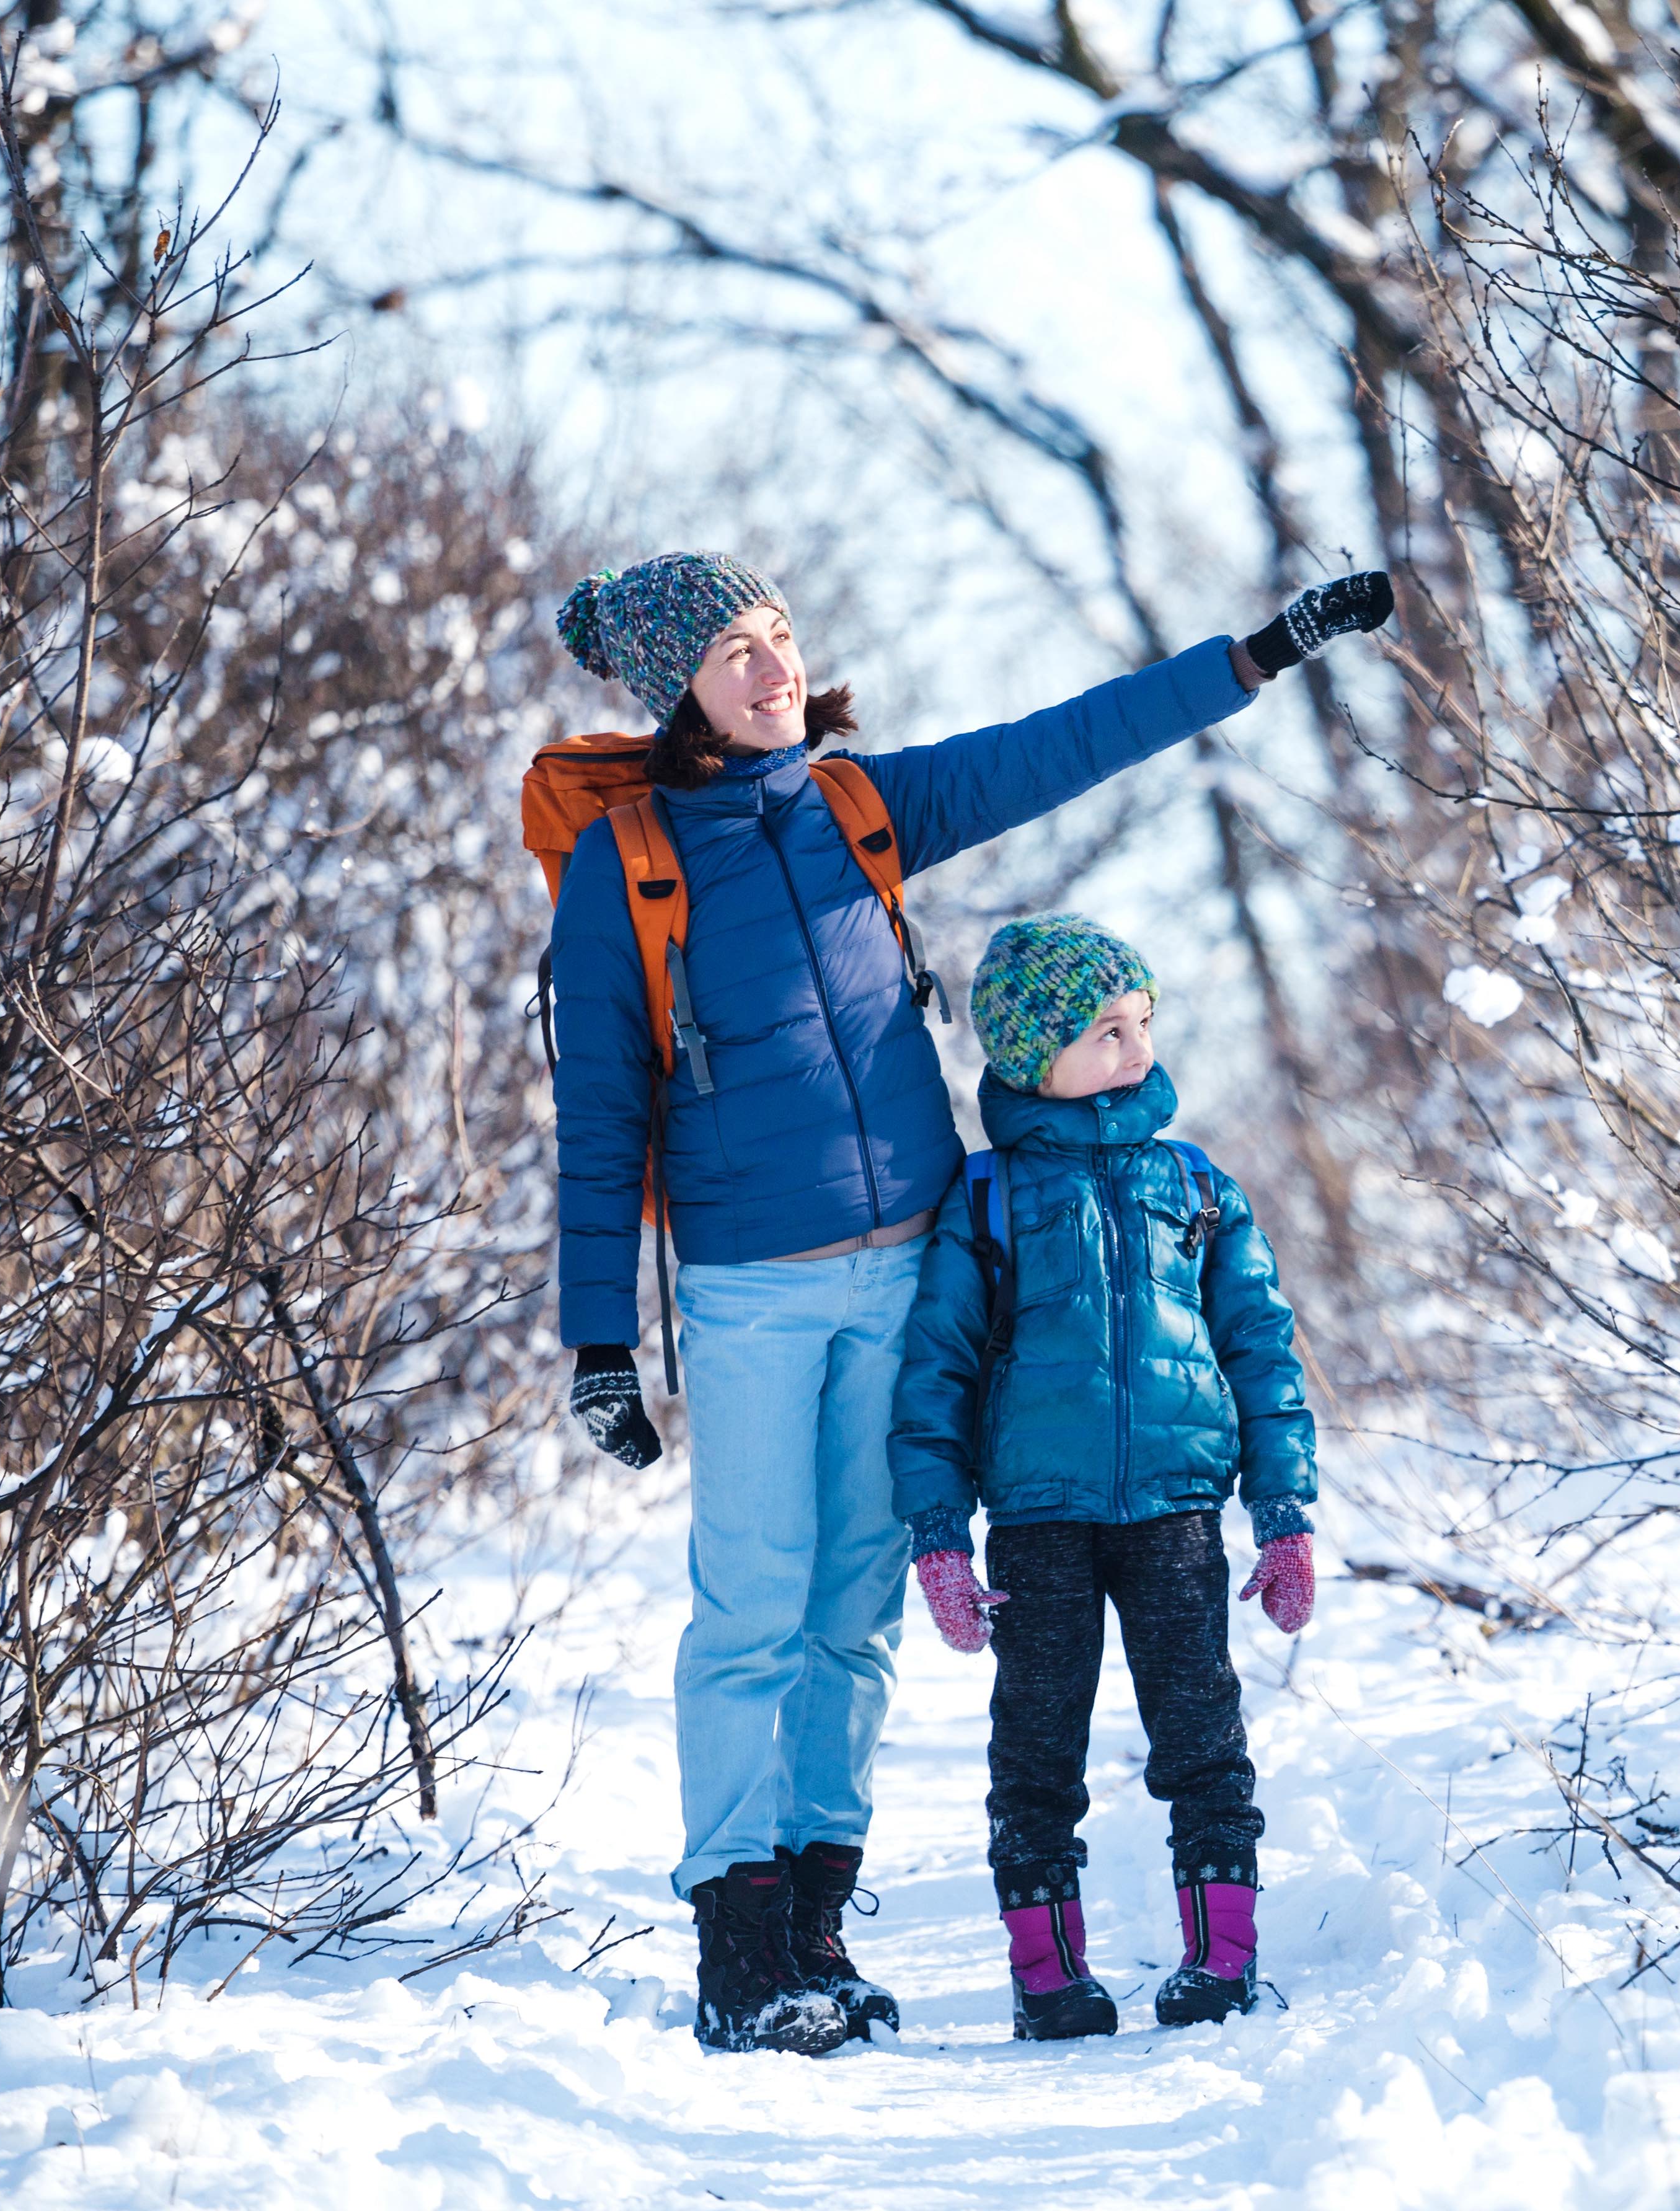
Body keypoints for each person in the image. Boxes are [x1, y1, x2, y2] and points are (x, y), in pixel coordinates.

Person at [546, 554, 1387, 2055]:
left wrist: (1256, 655)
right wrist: (598, 1338)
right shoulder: (628, 865)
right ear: (678, 685)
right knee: (754, 1604)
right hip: (749, 1285)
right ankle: (740, 1949)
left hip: (915, 1265)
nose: (770, 669)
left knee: (858, 1611)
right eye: (733, 651)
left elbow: (1068, 742)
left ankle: (816, 1919)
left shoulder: (863, 810)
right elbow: (602, 1108)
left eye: (781, 636)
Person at [886, 915, 1319, 2042]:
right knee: (1036, 1746)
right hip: (1037, 1521)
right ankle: (1049, 1977)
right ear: (1030, 1059)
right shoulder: (985, 1199)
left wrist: (1283, 1515)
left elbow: (1261, 1349)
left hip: (1177, 1514)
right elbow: (932, 1374)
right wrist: (937, 1534)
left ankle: (1223, 1960)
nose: (1135, 1049)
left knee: (1203, 1736)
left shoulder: (1195, 1182)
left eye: (1142, 1023)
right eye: (1102, 1031)